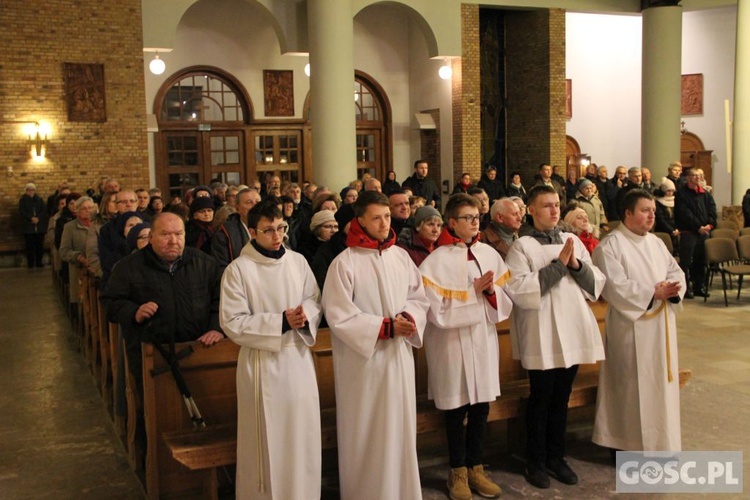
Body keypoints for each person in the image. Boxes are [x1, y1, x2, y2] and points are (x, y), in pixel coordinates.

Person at [321, 191, 429, 499]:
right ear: (360, 221)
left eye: (387, 217)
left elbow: (418, 297)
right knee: (368, 431)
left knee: (400, 428)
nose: (384, 224)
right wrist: (383, 328)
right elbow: (338, 314)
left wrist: (408, 317)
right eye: (377, 218)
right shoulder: (345, 263)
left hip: (398, 358)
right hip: (364, 365)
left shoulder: (400, 256)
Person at [504, 185, 606, 489]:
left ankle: (556, 457)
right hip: (541, 330)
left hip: (572, 326)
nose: (554, 210)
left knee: (561, 398)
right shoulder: (521, 246)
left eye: (557, 205)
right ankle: (534, 460)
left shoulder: (571, 239)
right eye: (546, 205)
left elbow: (595, 282)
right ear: (531, 210)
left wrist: (574, 264)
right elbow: (520, 290)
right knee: (541, 399)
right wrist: (559, 266)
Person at [220, 201, 322, 499]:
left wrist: (305, 315)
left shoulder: (298, 262)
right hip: (262, 363)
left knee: (301, 438)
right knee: (269, 442)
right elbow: (232, 322)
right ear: (252, 232)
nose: (277, 236)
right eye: (268, 230)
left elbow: (314, 299)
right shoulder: (239, 270)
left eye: (281, 228)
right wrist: (280, 322)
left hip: (298, 361)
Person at [419, 194, 513, 500]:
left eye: (477, 218)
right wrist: (473, 293)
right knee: (455, 409)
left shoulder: (490, 254)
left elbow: (505, 302)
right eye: (467, 218)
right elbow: (436, 312)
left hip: (482, 340)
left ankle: (477, 467)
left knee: (481, 406)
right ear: (451, 223)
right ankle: (456, 471)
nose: (474, 223)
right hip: (451, 344)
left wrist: (489, 294)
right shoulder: (435, 261)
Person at [592, 189, 685, 453]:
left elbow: (675, 270)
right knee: (629, 386)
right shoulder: (610, 245)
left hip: (661, 326)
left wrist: (672, 288)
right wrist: (651, 293)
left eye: (653, 211)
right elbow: (614, 287)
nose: (651, 216)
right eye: (645, 210)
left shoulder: (656, 243)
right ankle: (623, 445)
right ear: (627, 213)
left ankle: (659, 442)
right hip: (630, 328)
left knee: (659, 385)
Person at [101, 212, 224, 394]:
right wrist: (134, 311)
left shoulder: (204, 263)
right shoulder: (128, 267)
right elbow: (110, 302)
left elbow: (221, 300)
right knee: (159, 412)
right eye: (166, 234)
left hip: (198, 350)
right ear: (151, 237)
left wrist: (216, 328)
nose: (173, 241)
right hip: (152, 355)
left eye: (179, 234)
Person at [674, 168, 716, 298]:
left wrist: (709, 225)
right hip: (688, 232)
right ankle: (685, 289)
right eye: (694, 175)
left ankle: (699, 287)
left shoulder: (706, 194)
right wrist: (698, 227)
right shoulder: (681, 194)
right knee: (686, 262)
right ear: (688, 177)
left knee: (700, 260)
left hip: (703, 232)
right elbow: (684, 214)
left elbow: (712, 210)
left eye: (700, 175)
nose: (698, 178)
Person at [212, 188, 261, 271]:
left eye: (257, 202)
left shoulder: (271, 229)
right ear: (237, 208)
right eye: (249, 202)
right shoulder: (224, 235)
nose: (255, 206)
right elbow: (222, 269)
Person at [19, 183, 47, 269]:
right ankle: (30, 263)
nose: (30, 191)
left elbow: (43, 210)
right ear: (26, 191)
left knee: (39, 245)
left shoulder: (39, 200)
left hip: (39, 227)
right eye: (29, 190)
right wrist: (31, 218)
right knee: (30, 246)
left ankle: (39, 262)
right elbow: (22, 212)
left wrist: (38, 218)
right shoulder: (23, 200)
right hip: (29, 227)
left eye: (32, 190)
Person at [654, 178, 679, 252]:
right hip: (663, 229)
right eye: (668, 191)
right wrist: (671, 230)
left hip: (675, 230)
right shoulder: (658, 202)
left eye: (672, 191)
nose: (670, 193)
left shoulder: (676, 200)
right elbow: (660, 219)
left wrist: (677, 229)